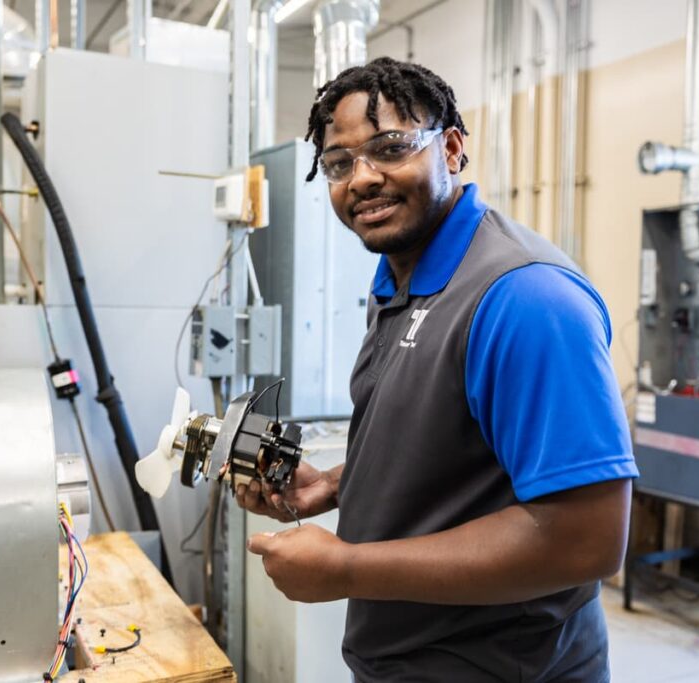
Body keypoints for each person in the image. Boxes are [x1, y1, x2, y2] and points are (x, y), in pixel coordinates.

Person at [238, 57, 637, 683]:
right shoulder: (401, 279)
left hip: (504, 666)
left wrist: (346, 568)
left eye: (390, 148)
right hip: (407, 658)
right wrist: (339, 486)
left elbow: (586, 537)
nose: (362, 179)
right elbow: (458, 449)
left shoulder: (526, 299)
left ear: (451, 149)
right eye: (340, 164)